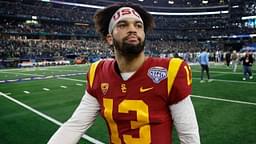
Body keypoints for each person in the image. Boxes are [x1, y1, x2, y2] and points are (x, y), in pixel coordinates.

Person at [48, 2, 200, 144]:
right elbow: (76, 125)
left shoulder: (171, 71)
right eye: (123, 24)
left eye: (138, 25)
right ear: (109, 38)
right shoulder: (98, 73)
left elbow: (189, 135)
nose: (133, 29)